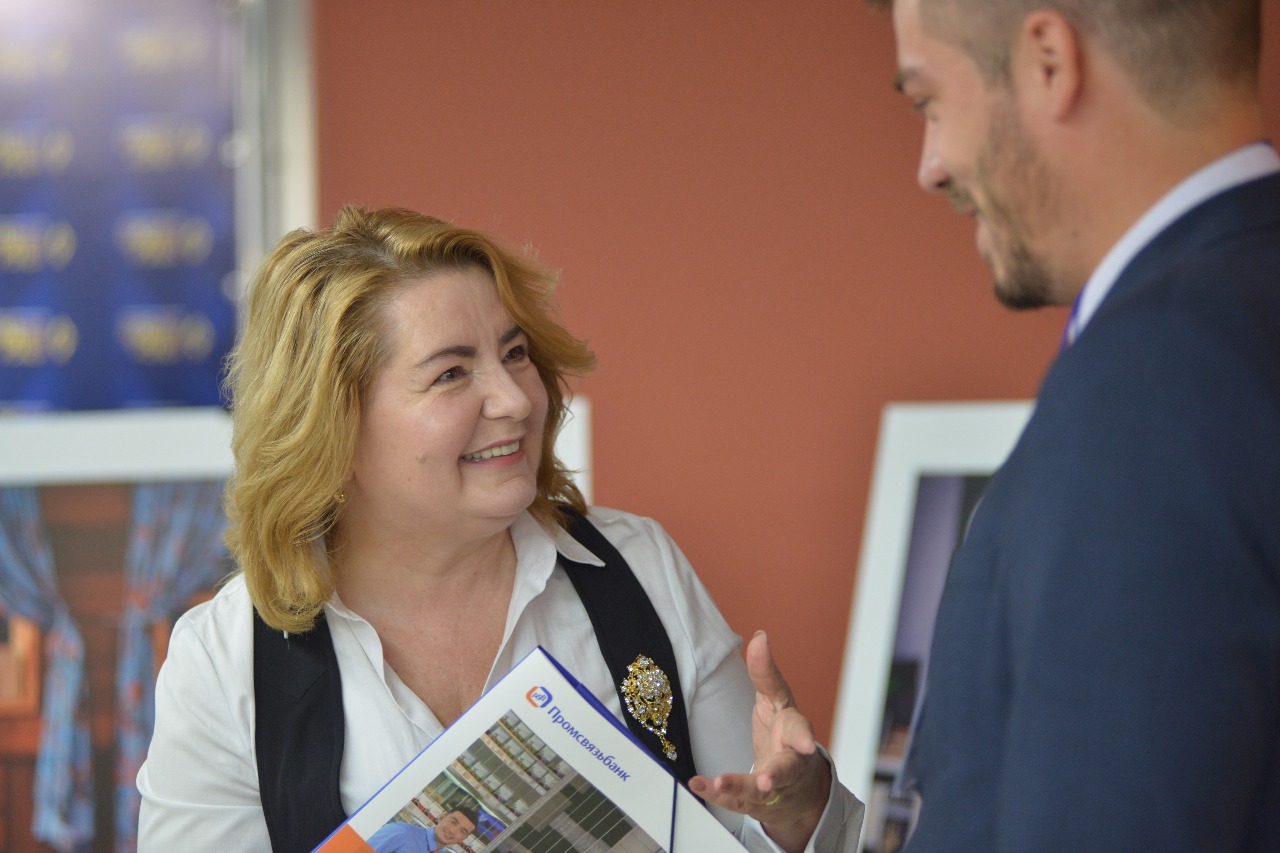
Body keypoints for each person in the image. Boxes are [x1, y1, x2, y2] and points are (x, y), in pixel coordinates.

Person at [136, 207, 864, 852]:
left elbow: (755, 828)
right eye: (452, 374)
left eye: (514, 354)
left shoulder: (639, 567)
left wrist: (800, 815)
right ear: (333, 424)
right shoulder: (226, 663)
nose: (515, 398)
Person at [868, 0, 1280, 850]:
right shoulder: (1234, 324)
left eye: (929, 101)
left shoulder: (1149, 384)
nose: (930, 166)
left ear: (1049, 62)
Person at [367, 804, 478, 853]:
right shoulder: (402, 832)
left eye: (462, 831)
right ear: (441, 817)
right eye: (453, 822)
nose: (453, 831)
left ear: (463, 839)